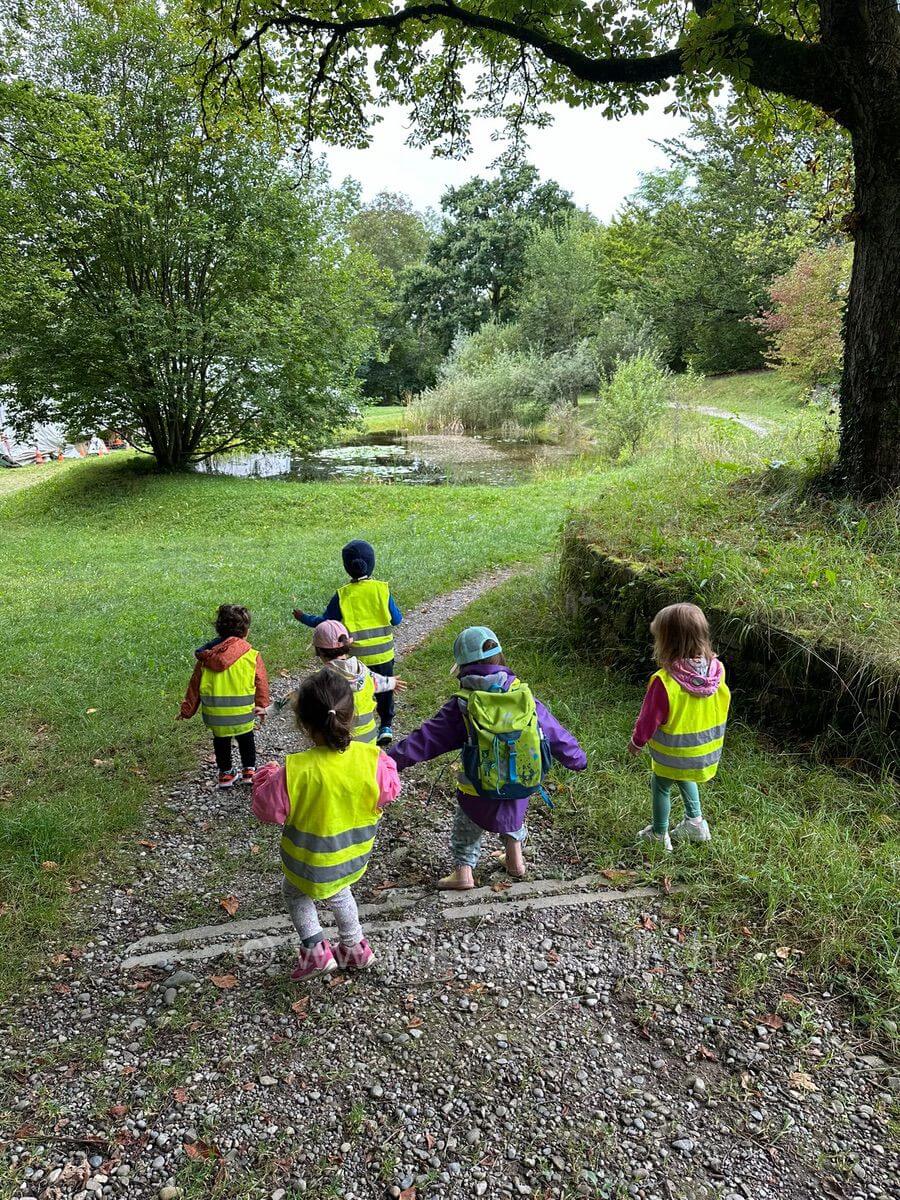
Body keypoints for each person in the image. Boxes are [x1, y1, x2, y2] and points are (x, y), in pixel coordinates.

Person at [389, 625, 587, 890]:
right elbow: (556, 733)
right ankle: (515, 861)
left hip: (476, 788)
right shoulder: (523, 697)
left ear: (461, 666)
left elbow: (425, 739)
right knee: (514, 815)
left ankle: (463, 873)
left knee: (467, 827)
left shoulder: (462, 705)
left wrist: (391, 760)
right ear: (500, 659)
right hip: (521, 782)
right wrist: (577, 759)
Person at [252, 670, 401, 981]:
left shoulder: (296, 770)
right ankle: (354, 948)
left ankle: (316, 950)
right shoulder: (371, 758)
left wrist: (266, 776)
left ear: (304, 725)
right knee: (340, 891)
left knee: (295, 893)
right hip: (351, 858)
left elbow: (267, 810)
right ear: (351, 714)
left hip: (309, 862)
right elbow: (390, 789)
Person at [628, 602, 731, 850]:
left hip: (672, 752)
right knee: (685, 776)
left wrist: (636, 742)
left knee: (661, 785)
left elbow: (648, 719)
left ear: (667, 642)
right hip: (703, 752)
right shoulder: (717, 671)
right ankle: (695, 824)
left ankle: (659, 833)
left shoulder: (665, 681)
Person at [292, 540, 402, 746]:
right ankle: (386, 724)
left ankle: (351, 723)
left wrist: (304, 617)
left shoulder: (342, 595)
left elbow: (325, 621)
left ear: (346, 567)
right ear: (372, 563)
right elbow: (397, 619)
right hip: (384, 654)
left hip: (357, 657)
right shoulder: (382, 589)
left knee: (353, 691)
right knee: (384, 688)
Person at [179, 604, 269, 789]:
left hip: (216, 716)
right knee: (246, 737)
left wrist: (187, 711)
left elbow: (194, 687)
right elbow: (261, 683)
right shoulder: (252, 656)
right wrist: (262, 706)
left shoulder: (206, 659)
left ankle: (226, 774)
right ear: (246, 631)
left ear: (219, 630)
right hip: (244, 714)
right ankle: (249, 771)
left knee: (221, 740)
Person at [312, 620, 407, 742]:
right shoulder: (361, 669)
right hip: (370, 737)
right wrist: (391, 682)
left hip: (343, 740)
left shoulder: (323, 678)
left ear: (319, 651)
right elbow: (375, 681)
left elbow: (310, 702)